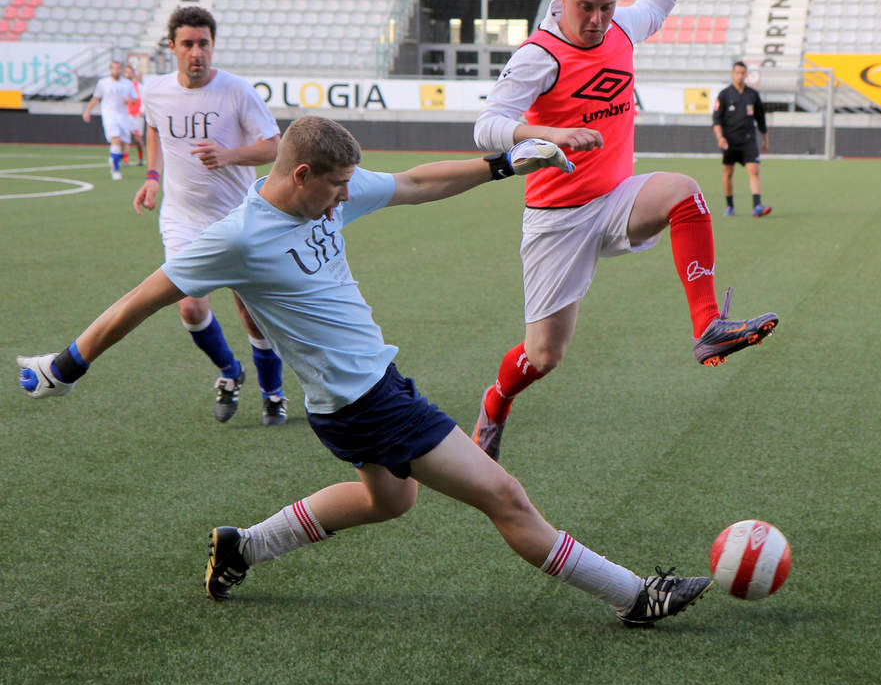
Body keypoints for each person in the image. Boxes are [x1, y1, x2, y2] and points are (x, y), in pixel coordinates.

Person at [17, 116, 712, 627]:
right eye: (338, 184)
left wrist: (508, 163)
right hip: (364, 405)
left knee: (390, 501)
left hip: (357, 395)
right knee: (506, 498)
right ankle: (633, 596)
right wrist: (67, 364)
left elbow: (414, 182)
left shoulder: (333, 191)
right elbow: (139, 301)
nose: (348, 195)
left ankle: (243, 545)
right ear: (301, 176)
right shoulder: (234, 239)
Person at [471, 0, 779, 461]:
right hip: (556, 220)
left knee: (685, 193)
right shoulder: (539, 55)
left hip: (615, 198)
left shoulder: (620, 30)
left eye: (607, 6)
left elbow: (658, 5)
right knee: (544, 356)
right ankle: (494, 404)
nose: (597, 19)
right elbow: (487, 127)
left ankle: (708, 325)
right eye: (586, 6)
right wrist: (549, 137)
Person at [134, 6, 290, 425]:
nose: (196, 52)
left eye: (204, 43)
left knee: (251, 312)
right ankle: (228, 372)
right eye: (187, 44)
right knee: (189, 307)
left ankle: (273, 392)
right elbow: (153, 126)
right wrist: (152, 176)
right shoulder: (157, 91)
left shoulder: (237, 91)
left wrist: (229, 155)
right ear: (173, 48)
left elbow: (274, 147)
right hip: (183, 217)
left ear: (212, 45)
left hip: (239, 218)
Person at [712, 60, 770, 217]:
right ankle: (729, 206)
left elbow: (761, 119)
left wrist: (765, 139)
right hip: (729, 141)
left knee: (754, 170)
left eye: (742, 73)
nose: (739, 76)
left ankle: (757, 206)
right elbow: (716, 120)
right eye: (737, 73)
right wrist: (720, 137)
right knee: (728, 172)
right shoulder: (724, 95)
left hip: (748, 140)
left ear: (746, 75)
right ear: (733, 74)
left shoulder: (753, 95)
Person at [82, 60, 137, 180]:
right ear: (110, 70)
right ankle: (115, 171)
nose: (116, 70)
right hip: (110, 116)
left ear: (121, 70)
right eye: (114, 68)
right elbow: (96, 97)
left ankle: (114, 158)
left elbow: (135, 99)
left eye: (118, 68)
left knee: (124, 146)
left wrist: (130, 100)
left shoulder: (127, 83)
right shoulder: (103, 83)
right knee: (115, 140)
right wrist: (88, 110)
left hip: (123, 116)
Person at [124, 64, 146, 166]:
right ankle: (125, 160)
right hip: (126, 115)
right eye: (126, 72)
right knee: (125, 137)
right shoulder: (122, 85)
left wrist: (142, 110)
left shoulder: (139, 86)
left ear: (133, 74)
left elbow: (144, 100)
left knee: (137, 139)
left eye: (129, 72)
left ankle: (141, 158)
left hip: (137, 116)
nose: (127, 74)